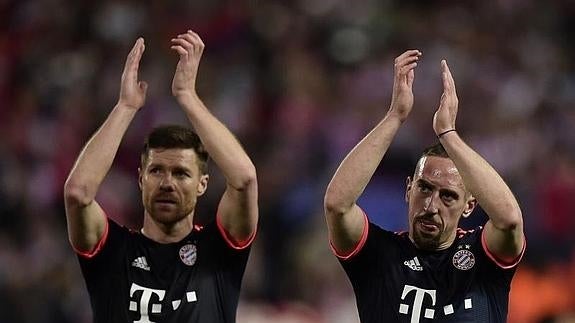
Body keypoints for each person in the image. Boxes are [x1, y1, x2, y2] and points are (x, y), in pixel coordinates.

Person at [64, 30, 258, 323]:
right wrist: (125, 108)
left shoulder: (218, 252)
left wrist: (188, 97)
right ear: (141, 178)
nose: (167, 183)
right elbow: (78, 193)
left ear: (202, 184)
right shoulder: (113, 252)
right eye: (157, 171)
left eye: (181, 173)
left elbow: (244, 179)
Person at [323, 50, 525, 322]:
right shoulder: (379, 255)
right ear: (409, 189)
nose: (431, 206)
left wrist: (449, 135)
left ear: (469, 206)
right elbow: (337, 205)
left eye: (448, 196)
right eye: (425, 188)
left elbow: (509, 220)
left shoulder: (482, 257)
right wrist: (395, 116)